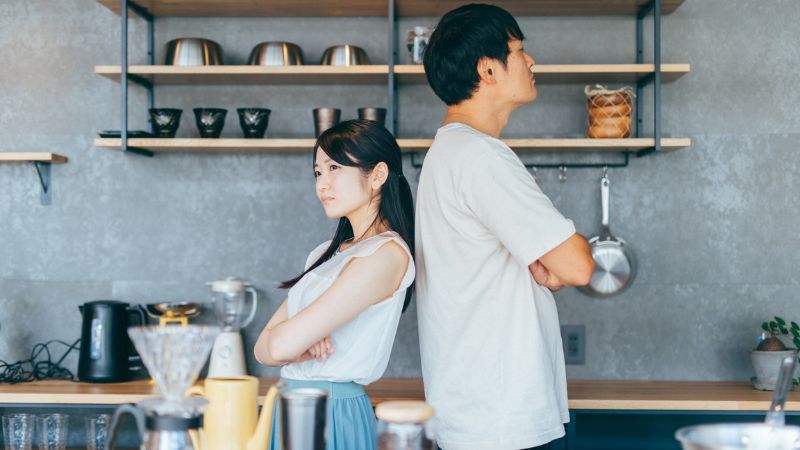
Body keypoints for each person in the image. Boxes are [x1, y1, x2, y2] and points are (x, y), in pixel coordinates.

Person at [415, 4, 596, 449]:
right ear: (488, 68)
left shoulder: (450, 153)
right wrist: (557, 266)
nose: (531, 62)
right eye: (520, 51)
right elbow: (578, 266)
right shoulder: (482, 158)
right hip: (500, 422)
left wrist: (550, 265)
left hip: (477, 415)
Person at [254, 119, 416, 450]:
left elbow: (280, 347)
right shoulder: (324, 254)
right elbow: (263, 348)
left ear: (377, 175)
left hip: (332, 410)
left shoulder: (386, 254)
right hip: (291, 404)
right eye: (317, 172)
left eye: (334, 168)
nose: (322, 184)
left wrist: (296, 338)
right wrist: (301, 337)